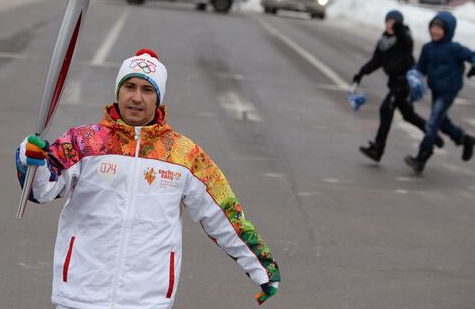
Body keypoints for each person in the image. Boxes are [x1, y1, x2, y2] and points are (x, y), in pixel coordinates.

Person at [16, 49, 280, 309]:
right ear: (118, 91)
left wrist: (262, 269)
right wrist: (31, 161)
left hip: (147, 299)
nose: (136, 98)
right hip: (81, 294)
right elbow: (41, 191)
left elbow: (225, 216)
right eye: (130, 87)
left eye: (147, 90)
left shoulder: (184, 155)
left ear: (158, 99)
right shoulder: (84, 142)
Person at [352, 10, 443, 162]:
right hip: (394, 83)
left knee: (385, 109)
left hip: (404, 83)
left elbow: (405, 40)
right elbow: (376, 61)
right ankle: (433, 135)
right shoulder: (383, 41)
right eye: (387, 21)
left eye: (393, 22)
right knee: (409, 116)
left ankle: (377, 149)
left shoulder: (404, 39)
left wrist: (399, 27)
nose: (389, 25)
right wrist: (361, 73)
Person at [405, 12, 475, 174]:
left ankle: (421, 157)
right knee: (441, 121)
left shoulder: (455, 49)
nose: (435, 31)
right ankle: (464, 139)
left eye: (439, 28)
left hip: (449, 90)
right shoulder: (427, 48)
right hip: (436, 89)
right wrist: (414, 77)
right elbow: (420, 67)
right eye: (433, 27)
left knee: (433, 122)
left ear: (448, 31)